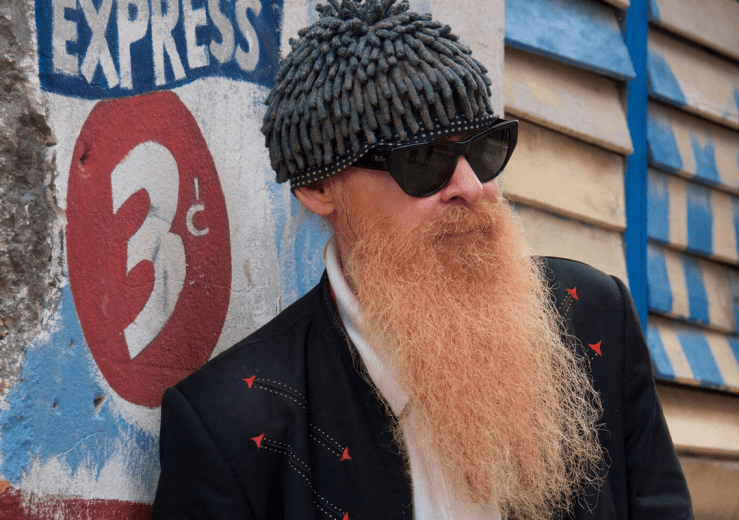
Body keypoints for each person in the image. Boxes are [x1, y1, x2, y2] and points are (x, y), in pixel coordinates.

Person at [152, 1, 693, 518]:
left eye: (484, 150)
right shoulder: (230, 423)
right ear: (319, 189)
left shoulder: (595, 318)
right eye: (424, 160)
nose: (473, 188)